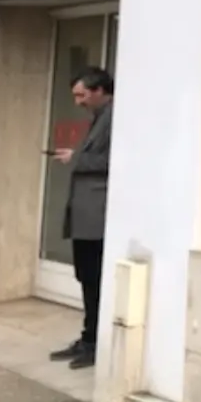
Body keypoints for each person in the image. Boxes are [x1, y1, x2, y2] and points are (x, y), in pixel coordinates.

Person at [49, 68, 114, 370]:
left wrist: (74, 158)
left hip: (97, 217)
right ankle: (88, 338)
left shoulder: (115, 116)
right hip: (86, 215)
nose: (77, 102)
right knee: (86, 278)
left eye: (81, 95)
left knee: (94, 280)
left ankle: (95, 343)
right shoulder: (99, 117)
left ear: (99, 90)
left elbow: (116, 159)